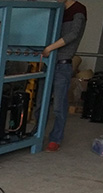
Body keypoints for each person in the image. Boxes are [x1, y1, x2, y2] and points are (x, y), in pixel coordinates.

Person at [42, 0, 87, 152]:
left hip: (62, 64)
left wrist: (49, 48)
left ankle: (55, 138)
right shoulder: (57, 9)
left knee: (59, 105)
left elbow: (73, 34)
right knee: (41, 103)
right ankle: (37, 134)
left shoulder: (78, 10)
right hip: (47, 63)